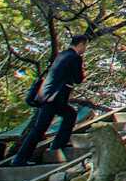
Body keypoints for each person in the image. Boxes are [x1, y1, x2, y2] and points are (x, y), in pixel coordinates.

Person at [9, 33, 91, 166]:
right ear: (81, 44)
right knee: (40, 128)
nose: (85, 49)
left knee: (69, 115)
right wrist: (82, 71)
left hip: (48, 96)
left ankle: (56, 146)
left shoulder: (61, 55)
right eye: (85, 46)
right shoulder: (75, 57)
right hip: (55, 98)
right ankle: (21, 158)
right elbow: (78, 79)